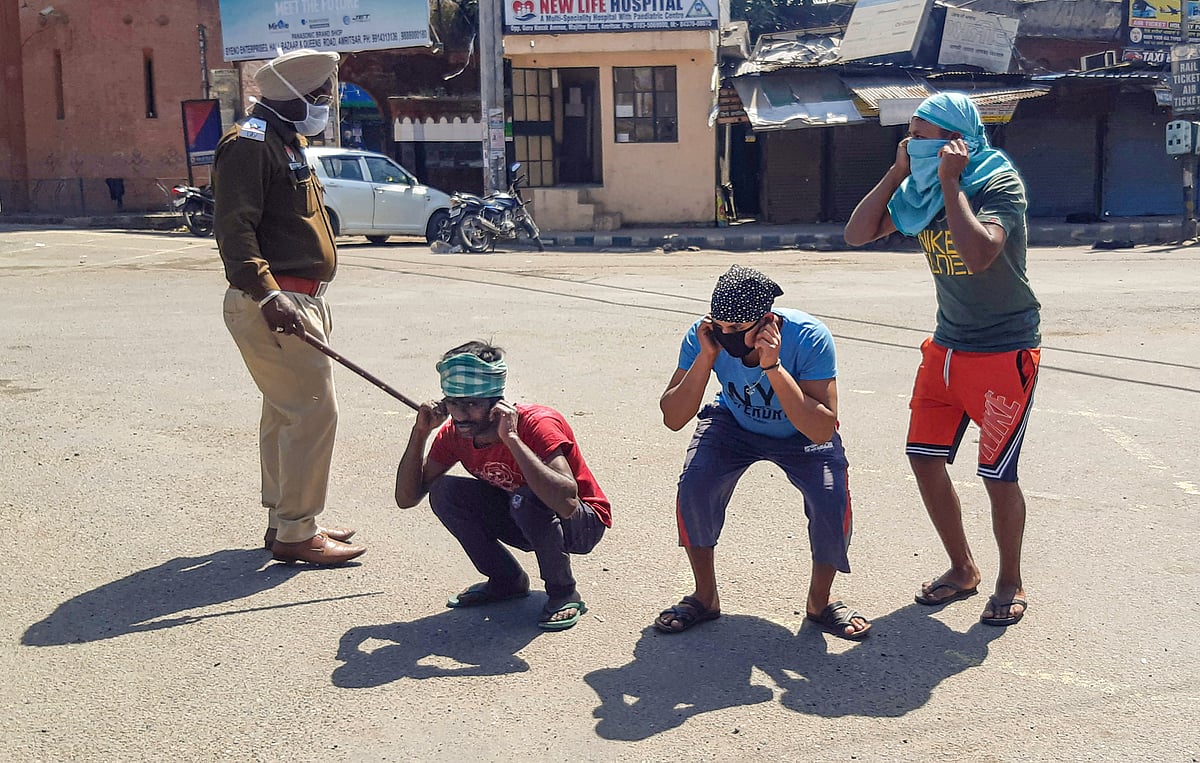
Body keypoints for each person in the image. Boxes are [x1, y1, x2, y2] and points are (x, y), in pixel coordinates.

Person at [843, 92, 1041, 626]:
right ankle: (962, 568)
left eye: (921, 134)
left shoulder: (996, 183)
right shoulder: (919, 191)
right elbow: (857, 233)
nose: (911, 143)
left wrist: (953, 182)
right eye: (907, 134)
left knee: (998, 475)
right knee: (923, 458)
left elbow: (979, 256)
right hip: (946, 347)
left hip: (1004, 349)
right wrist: (896, 171)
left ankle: (1010, 579)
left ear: (957, 139)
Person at [654, 265, 871, 640]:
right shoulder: (705, 337)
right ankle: (705, 597)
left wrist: (772, 365)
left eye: (737, 330)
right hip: (733, 423)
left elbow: (821, 426)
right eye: (720, 326)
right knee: (695, 486)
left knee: (831, 499)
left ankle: (820, 601)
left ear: (767, 320)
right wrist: (706, 358)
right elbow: (673, 417)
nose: (727, 337)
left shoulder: (809, 337)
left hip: (800, 434)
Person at [214, 49, 365, 565]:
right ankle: (297, 532)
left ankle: (288, 520)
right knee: (313, 412)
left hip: (298, 297)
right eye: (321, 96)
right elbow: (235, 229)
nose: (327, 103)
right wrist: (270, 293)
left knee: (284, 413)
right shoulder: (249, 145)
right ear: (296, 99)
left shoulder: (287, 141)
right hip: (276, 301)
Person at [395, 341, 611, 631]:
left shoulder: (536, 424)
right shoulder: (455, 434)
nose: (460, 415)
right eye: (453, 402)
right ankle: (506, 580)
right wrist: (420, 432)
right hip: (523, 516)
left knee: (526, 498)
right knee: (444, 491)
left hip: (580, 524)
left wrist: (512, 439)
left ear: (496, 402)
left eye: (472, 404)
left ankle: (563, 592)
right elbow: (407, 498)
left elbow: (567, 501)